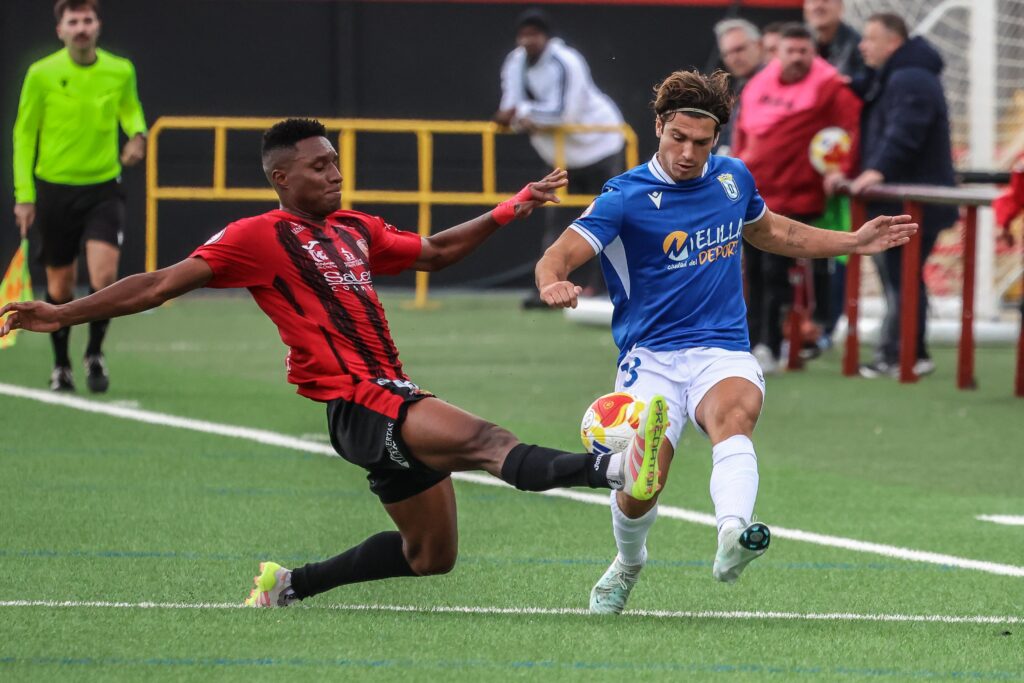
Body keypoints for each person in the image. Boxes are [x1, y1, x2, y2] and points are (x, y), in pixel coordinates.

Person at [1, 118, 667, 608]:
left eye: (336, 163)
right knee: (487, 440)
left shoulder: (354, 229)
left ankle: (290, 583)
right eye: (319, 166)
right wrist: (61, 313)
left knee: (430, 556)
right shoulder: (255, 237)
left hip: (391, 394)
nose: (334, 174)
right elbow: (157, 284)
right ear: (281, 178)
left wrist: (510, 208)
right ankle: (612, 467)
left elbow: (434, 252)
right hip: (359, 404)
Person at [535, 70, 915, 614]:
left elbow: (774, 232)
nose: (689, 154)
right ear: (659, 127)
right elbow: (558, 256)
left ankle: (732, 534)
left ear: (717, 139)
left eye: (702, 142)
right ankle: (629, 562)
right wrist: (553, 282)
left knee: (735, 414)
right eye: (678, 138)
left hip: (721, 347)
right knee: (642, 483)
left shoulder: (733, 179)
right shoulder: (624, 197)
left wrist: (853, 242)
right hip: (651, 357)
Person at [12, 0, 147, 393]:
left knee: (104, 278)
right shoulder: (41, 74)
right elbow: (24, 135)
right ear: (61, 30)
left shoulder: (120, 70)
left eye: (87, 20)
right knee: (60, 288)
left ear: (98, 25)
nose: (81, 27)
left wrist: (137, 134)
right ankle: (61, 364)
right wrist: (25, 195)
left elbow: (130, 109)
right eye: (73, 21)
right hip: (54, 190)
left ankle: (94, 352)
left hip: (103, 187)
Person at [734, 23, 860, 372]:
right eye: (791, 50)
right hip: (754, 194)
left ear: (813, 53)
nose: (797, 57)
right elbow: (743, 134)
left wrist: (840, 169)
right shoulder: (758, 86)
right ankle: (751, 345)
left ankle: (771, 346)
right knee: (751, 273)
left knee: (776, 272)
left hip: (796, 198)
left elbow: (850, 131)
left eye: (804, 51)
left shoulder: (830, 87)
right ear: (777, 53)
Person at [843, 13, 958, 378]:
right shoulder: (899, 75)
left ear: (893, 42)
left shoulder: (911, 77)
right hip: (904, 201)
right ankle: (902, 351)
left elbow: (906, 131)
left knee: (902, 278)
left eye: (870, 39)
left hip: (913, 203)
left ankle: (904, 354)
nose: (862, 46)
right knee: (900, 277)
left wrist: (876, 171)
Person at [493, 8, 625, 308]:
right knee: (559, 224)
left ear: (546, 36)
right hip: (563, 156)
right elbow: (507, 109)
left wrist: (522, 114)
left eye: (534, 34)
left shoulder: (566, 61)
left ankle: (606, 289)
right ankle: (550, 289)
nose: (528, 40)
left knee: (609, 219)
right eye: (523, 34)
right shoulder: (515, 62)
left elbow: (564, 114)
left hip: (600, 146)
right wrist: (517, 116)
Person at [712, 18, 766, 156]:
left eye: (739, 49)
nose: (733, 58)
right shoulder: (741, 87)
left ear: (759, 45)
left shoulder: (777, 83)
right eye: (726, 54)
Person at [804, 0, 867, 87]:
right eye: (813, 1)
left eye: (825, 1)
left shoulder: (858, 46)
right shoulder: (798, 42)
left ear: (840, 7)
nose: (818, 6)